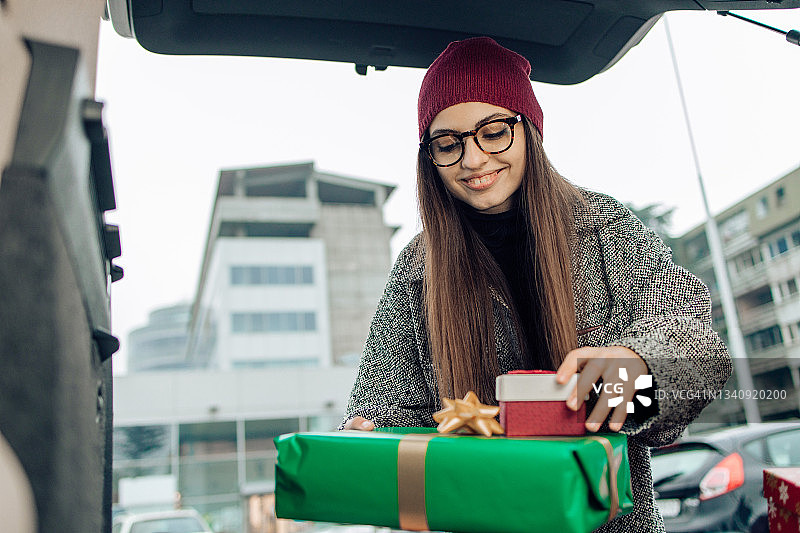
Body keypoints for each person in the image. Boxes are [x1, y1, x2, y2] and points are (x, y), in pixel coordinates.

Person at [341, 36, 731, 532]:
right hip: (478, 517)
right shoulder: (417, 267)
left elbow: (694, 339)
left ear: (529, 131)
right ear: (429, 158)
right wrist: (366, 439)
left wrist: (640, 365)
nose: (474, 159)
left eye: (494, 132)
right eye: (448, 143)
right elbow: (384, 405)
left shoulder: (603, 227)